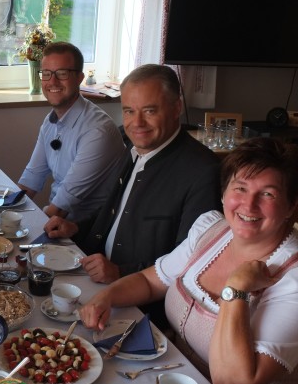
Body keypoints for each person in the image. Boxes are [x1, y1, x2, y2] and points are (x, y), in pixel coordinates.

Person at [79, 138, 298, 384]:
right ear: (223, 193)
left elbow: (230, 382)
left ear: (291, 206)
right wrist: (108, 296)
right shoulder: (212, 230)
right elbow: (153, 281)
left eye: (267, 194)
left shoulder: (292, 278)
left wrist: (236, 288)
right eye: (240, 188)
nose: (248, 206)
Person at [45, 64, 221, 284]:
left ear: (176, 108)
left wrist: (120, 272)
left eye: (150, 111)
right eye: (129, 111)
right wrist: (76, 227)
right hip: (93, 273)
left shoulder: (202, 172)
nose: (137, 123)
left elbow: (192, 259)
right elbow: (115, 209)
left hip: (139, 299)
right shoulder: (130, 144)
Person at [17, 42, 124, 221]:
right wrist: (3, 209)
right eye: (47, 74)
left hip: (87, 231)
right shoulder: (50, 121)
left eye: (62, 73)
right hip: (58, 221)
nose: (52, 82)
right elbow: (32, 178)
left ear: (80, 78)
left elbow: (61, 207)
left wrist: (22, 226)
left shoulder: (97, 131)